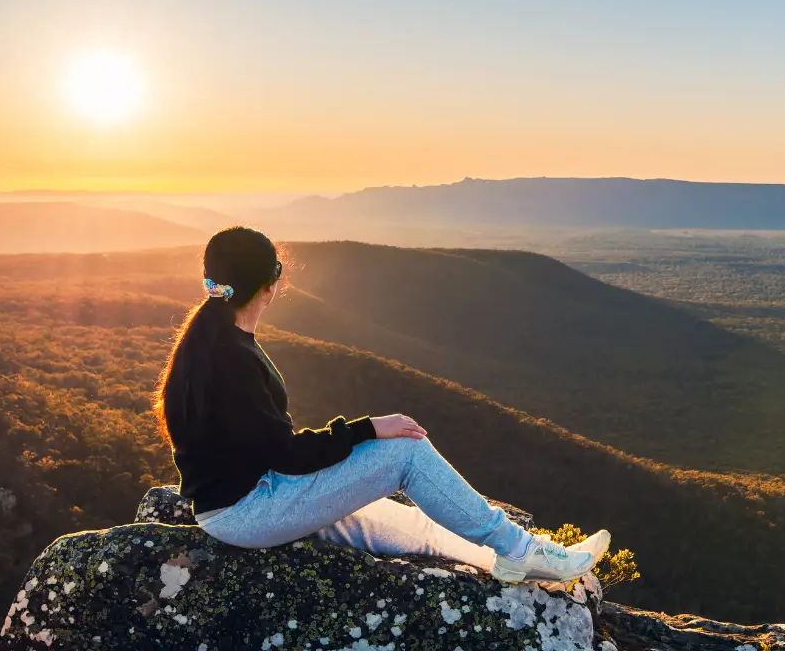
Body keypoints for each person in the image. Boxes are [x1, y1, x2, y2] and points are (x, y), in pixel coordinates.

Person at [154, 226, 608, 582]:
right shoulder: (231, 357)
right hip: (250, 511)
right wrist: (367, 429)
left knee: (415, 529)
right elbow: (286, 454)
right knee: (406, 452)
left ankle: (522, 560)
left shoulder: (207, 341)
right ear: (268, 287)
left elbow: (255, 447)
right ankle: (522, 551)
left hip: (248, 499)